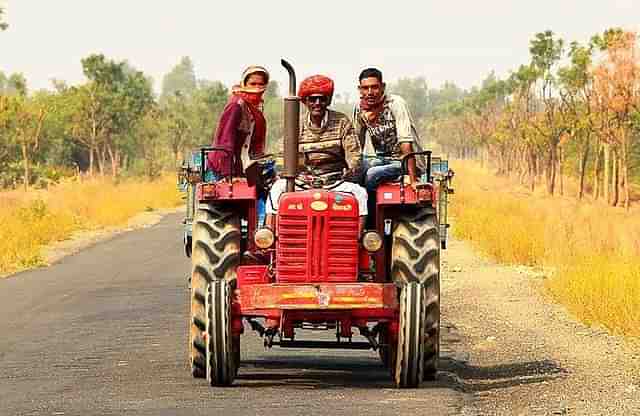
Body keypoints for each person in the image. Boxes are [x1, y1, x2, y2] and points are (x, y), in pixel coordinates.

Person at [265, 75, 367, 231]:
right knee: (276, 189)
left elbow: (354, 153)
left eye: (322, 99)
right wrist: (289, 171)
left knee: (360, 194)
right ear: (305, 102)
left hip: (334, 181)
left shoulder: (341, 122)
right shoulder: (296, 124)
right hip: (304, 182)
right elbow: (282, 155)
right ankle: (269, 237)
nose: (317, 103)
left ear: (328, 100)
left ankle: (359, 241)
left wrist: (351, 168)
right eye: (312, 99)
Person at [354, 68, 422, 199]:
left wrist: (413, 180)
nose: (370, 92)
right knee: (354, 172)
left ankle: (371, 217)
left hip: (405, 161)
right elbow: (357, 143)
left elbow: (405, 142)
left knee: (372, 174)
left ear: (383, 87)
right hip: (381, 159)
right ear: (360, 89)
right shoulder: (359, 109)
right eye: (365, 88)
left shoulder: (395, 104)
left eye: (374, 87)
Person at [207, 65, 269, 179]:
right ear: (244, 85)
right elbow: (225, 141)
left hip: (241, 166)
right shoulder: (236, 105)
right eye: (253, 84)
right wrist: (228, 175)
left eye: (260, 84)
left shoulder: (256, 110)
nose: (257, 88)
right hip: (222, 169)